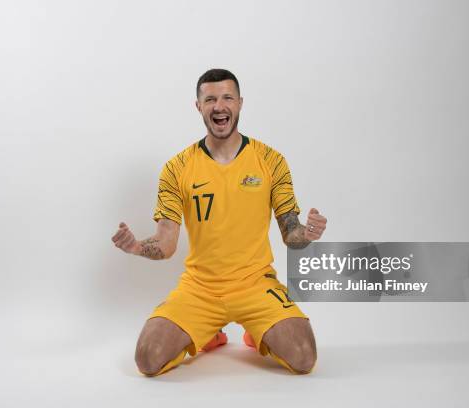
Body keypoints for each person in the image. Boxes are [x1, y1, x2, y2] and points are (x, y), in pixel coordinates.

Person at [111, 69, 327, 376]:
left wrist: (307, 232)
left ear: (240, 103)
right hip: (200, 289)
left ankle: (257, 331)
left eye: (227, 97)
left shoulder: (271, 161)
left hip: (256, 285)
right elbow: (166, 244)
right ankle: (206, 333)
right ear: (198, 107)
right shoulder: (177, 168)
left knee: (304, 358)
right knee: (147, 360)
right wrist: (135, 247)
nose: (219, 106)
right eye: (210, 99)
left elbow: (291, 234)